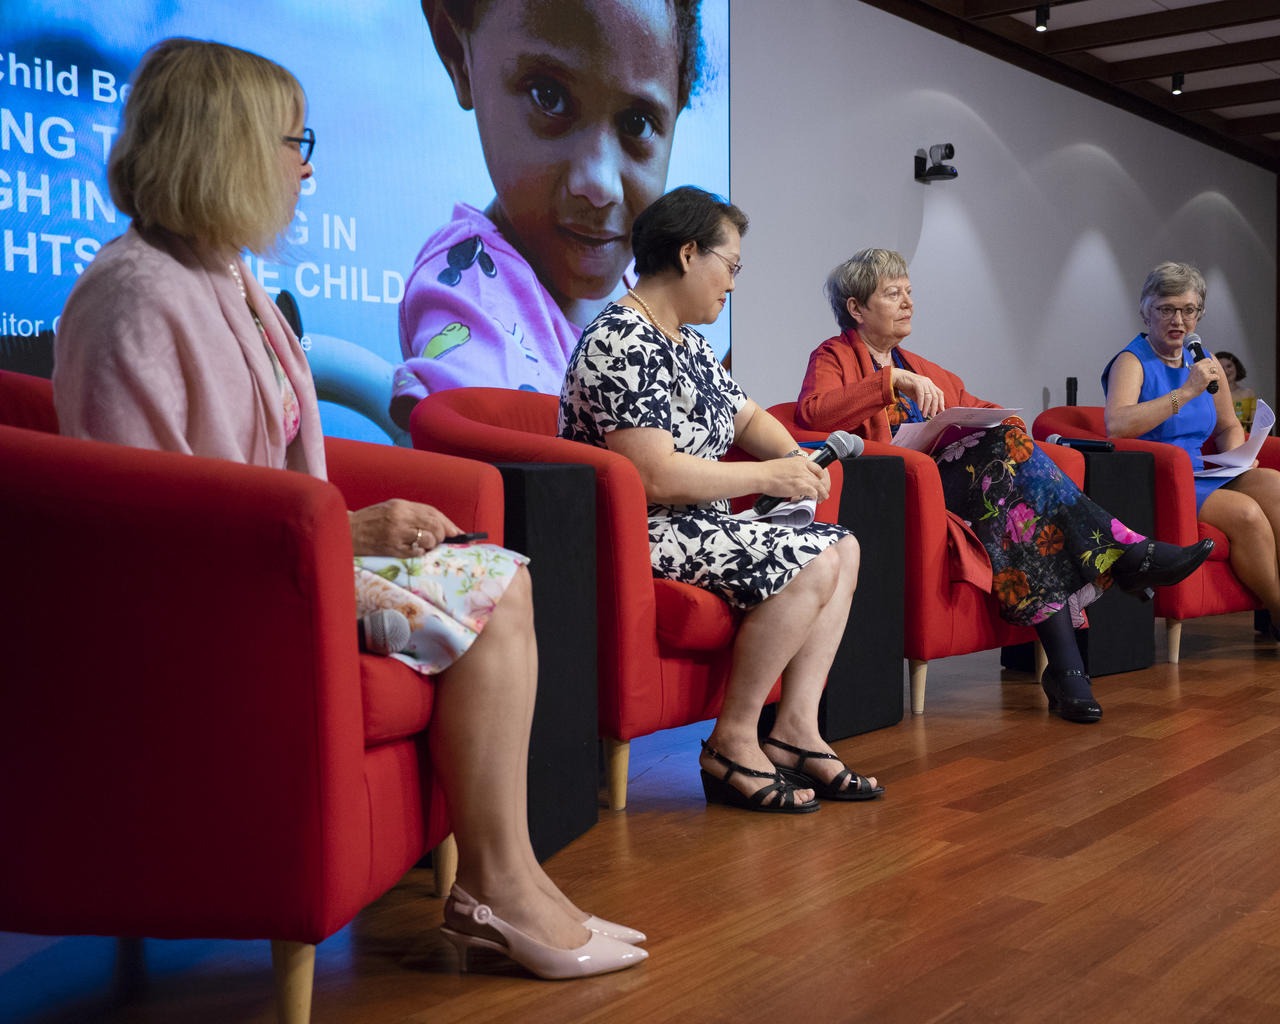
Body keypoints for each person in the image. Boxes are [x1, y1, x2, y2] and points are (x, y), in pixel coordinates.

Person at [51, 38, 646, 980]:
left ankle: (506, 874)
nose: (308, 164)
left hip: (274, 566)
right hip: (215, 601)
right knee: (493, 591)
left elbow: (259, 476)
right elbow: (154, 523)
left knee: (503, 579)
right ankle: (498, 886)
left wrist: (351, 527)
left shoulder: (225, 275)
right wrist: (348, 533)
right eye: (295, 140)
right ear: (230, 146)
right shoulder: (133, 294)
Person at [560, 186, 880, 809]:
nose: (732, 283)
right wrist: (766, 480)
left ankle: (795, 731)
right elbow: (651, 475)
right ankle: (733, 739)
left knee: (845, 548)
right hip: (643, 536)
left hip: (694, 527)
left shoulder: (689, 342)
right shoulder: (621, 341)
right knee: (812, 559)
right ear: (687, 254)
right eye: (730, 266)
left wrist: (793, 461)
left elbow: (747, 417)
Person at [797, 248, 1214, 724]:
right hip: (900, 499)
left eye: (909, 293)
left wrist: (998, 420)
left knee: (1024, 525)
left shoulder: (928, 368)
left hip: (974, 496)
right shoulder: (834, 356)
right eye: (893, 295)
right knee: (1014, 498)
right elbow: (814, 413)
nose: (909, 303)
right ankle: (1127, 553)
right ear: (856, 308)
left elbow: (984, 409)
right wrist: (891, 382)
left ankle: (1069, 670)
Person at [390, 0, 704, 429]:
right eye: (549, 97)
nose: (598, 185)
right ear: (458, 55)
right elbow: (517, 467)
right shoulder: (467, 284)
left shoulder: (641, 299)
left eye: (637, 123)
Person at [1103, 261, 1280, 663]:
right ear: (1145, 310)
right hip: (1158, 478)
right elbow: (1117, 425)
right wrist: (1185, 392)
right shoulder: (1132, 361)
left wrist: (1238, 454)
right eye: (1167, 309)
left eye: (1188, 310)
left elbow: (1226, 425)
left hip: (1201, 472)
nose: (1178, 320)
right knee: (1247, 514)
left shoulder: (1201, 359)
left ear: (1199, 314)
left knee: (1276, 483)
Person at [1215, 350, 1259, 431]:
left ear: (1236, 367)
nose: (1226, 371)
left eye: (1229, 366)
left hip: (1245, 439)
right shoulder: (1210, 396)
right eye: (1221, 368)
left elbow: (1255, 425)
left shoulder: (1249, 393)